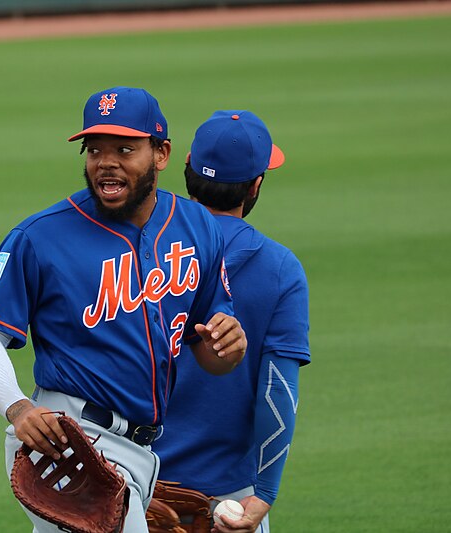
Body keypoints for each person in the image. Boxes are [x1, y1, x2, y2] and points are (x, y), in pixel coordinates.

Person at [0, 87, 248, 532]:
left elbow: (211, 352)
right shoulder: (40, 237)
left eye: (125, 149)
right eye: (95, 150)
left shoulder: (196, 226)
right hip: (70, 445)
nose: (105, 162)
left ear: (161, 153)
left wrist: (230, 346)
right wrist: (17, 408)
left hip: (144, 450)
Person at [153, 110, 311, 533]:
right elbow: (278, 393)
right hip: (226, 501)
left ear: (185, 166)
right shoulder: (280, 268)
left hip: (131, 486)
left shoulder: (134, 248)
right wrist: (265, 493)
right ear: (256, 184)